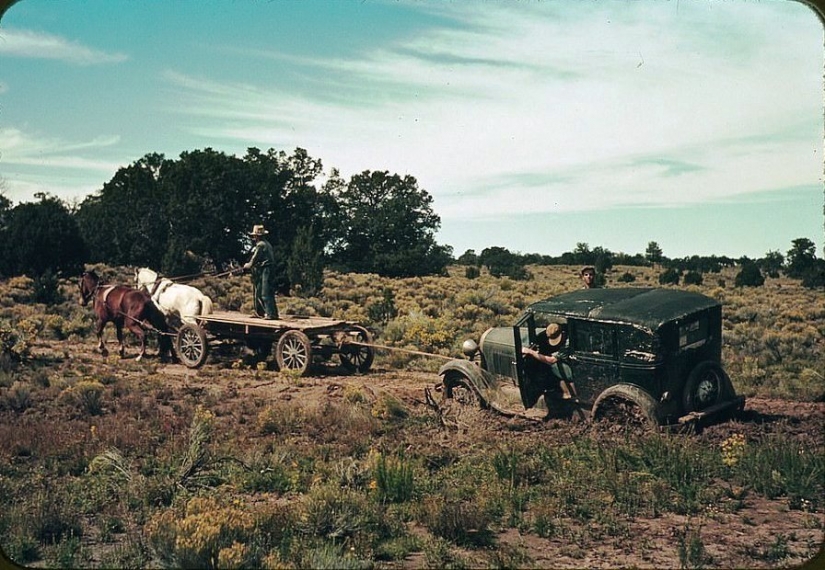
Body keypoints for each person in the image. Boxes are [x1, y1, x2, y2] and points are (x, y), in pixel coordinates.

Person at [522, 322, 578, 401]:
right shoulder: (561, 329)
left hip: (571, 364)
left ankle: (567, 393)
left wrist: (530, 352)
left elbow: (552, 360)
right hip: (565, 359)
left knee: (555, 366)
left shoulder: (567, 342)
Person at [243, 225, 279, 319]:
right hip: (264, 269)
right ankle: (260, 312)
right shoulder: (267, 244)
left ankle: (271, 314)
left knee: (265, 292)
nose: (254, 237)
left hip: (266, 270)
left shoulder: (261, 245)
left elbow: (254, 259)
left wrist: (247, 265)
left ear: (256, 236)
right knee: (258, 291)